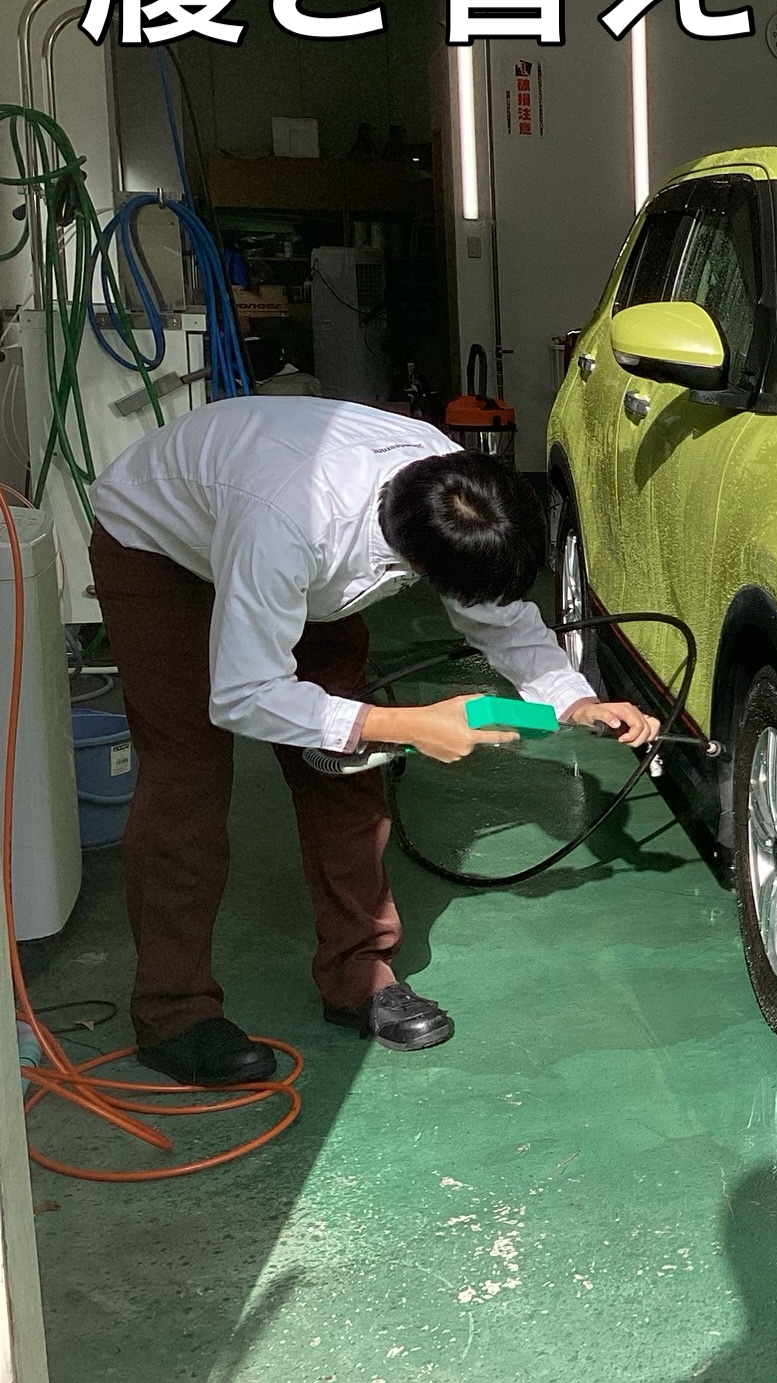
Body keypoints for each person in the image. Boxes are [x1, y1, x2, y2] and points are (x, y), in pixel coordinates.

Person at [87, 398, 659, 1086]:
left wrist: (574, 699)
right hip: (160, 546)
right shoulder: (290, 522)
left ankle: (359, 974)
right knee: (189, 780)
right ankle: (172, 1014)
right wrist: (409, 724)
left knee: (345, 769)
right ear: (416, 563)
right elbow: (243, 695)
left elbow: (500, 614)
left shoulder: (453, 492)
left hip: (293, 555)